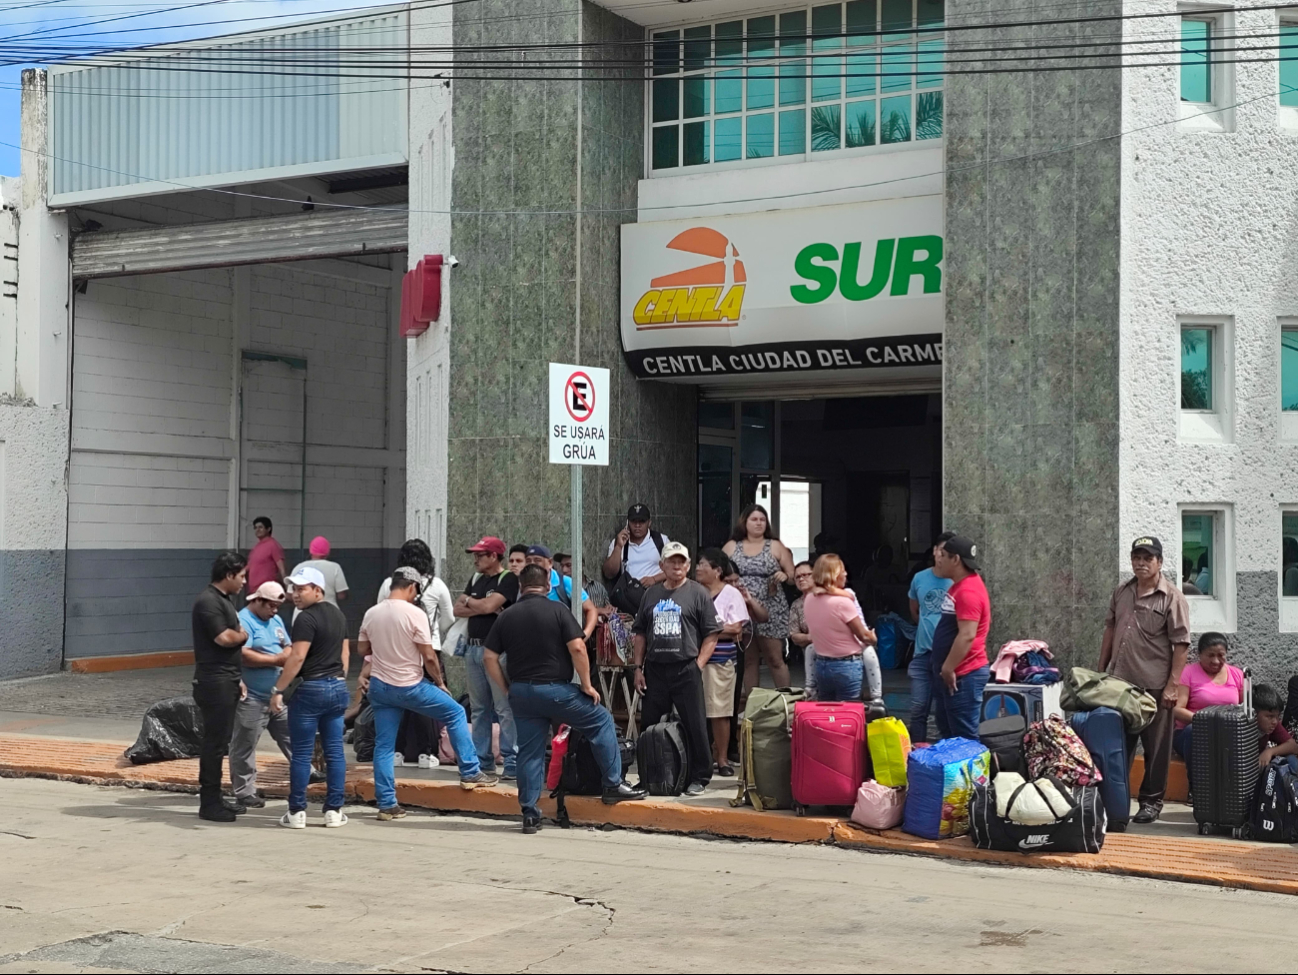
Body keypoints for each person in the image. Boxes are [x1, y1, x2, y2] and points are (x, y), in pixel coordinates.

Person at [484, 564, 647, 833]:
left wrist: (506, 689)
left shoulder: (507, 616)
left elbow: (489, 657)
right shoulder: (558, 610)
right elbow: (577, 647)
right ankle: (613, 783)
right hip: (555, 690)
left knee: (529, 751)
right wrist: (586, 684)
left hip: (522, 692)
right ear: (548, 585)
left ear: (521, 587)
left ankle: (529, 812)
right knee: (601, 720)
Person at [361, 568, 498, 821]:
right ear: (412, 587)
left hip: (380, 688)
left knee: (384, 745)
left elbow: (362, 648)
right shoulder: (415, 613)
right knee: (455, 712)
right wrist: (440, 682)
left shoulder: (372, 612)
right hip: (410, 685)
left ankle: (387, 804)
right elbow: (429, 656)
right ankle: (470, 771)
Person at [1098, 535, 1190, 824]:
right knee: (1118, 747)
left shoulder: (1172, 597)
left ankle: (1151, 803)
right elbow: (1110, 630)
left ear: (1159, 562)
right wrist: (1101, 673)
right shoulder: (1122, 591)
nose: (1141, 563)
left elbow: (1181, 645)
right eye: (1137, 557)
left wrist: (1172, 685)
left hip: (1155, 688)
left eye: (1147, 558)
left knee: (1157, 748)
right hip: (1120, 685)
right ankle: (1116, 801)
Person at [632, 541, 722, 795]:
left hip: (686, 668)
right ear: (662, 565)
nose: (677, 565)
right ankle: (648, 776)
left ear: (689, 565)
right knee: (648, 725)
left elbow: (712, 634)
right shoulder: (651, 595)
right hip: (656, 669)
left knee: (695, 725)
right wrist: (638, 667)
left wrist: (698, 665)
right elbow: (640, 633)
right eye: (671, 561)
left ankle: (700, 777)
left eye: (681, 561)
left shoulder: (698, 593)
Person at [269, 566, 350, 829]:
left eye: (302, 589)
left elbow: (298, 656)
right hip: (337, 687)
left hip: (310, 690)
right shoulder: (338, 615)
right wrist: (338, 676)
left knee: (302, 754)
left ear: (318, 590)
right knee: (335, 752)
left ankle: (297, 812)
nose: (295, 594)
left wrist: (279, 689)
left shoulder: (304, 619)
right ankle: (334, 812)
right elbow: (345, 653)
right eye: (293, 588)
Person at [453, 535, 520, 780]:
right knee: (479, 708)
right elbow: (456, 608)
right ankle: (483, 761)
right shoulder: (476, 579)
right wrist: (479, 604)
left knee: (503, 707)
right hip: (472, 650)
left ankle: (511, 761)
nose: (476, 560)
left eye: (480, 555)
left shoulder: (508, 579)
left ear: (494, 556)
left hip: (496, 652)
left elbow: (488, 607)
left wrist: (474, 603)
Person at [191, 551, 250, 822]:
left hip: (226, 679)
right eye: (241, 576)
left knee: (221, 742)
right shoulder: (208, 602)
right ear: (228, 575)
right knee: (215, 743)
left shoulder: (224, 601)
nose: (244, 582)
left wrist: (237, 678)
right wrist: (243, 635)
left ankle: (217, 798)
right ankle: (209, 802)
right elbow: (224, 638)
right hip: (214, 682)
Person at [229, 581, 294, 808]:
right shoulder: (243, 620)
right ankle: (244, 791)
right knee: (244, 744)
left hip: (276, 694)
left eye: (277, 607)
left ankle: (307, 771)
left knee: (291, 734)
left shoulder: (275, 620)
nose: (274, 611)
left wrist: (282, 655)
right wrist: (275, 660)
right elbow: (244, 655)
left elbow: (288, 645)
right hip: (253, 696)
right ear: (257, 600)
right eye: (270, 606)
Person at [723, 504, 794, 697]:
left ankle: (786, 702)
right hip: (742, 607)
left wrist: (784, 575)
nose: (759, 523)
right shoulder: (732, 546)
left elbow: (793, 575)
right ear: (744, 522)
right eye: (754, 519)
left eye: (762, 519)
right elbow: (718, 572)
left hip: (771, 607)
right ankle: (752, 704)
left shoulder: (776, 545)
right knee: (749, 660)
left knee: (775, 658)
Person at [930, 535, 992, 741]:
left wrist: (948, 668)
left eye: (944, 556)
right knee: (949, 733)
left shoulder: (968, 591)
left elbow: (967, 635)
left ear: (956, 560)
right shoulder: (959, 586)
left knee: (964, 738)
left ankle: (975, 774)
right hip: (953, 674)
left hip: (963, 675)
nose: (938, 559)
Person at [695, 549, 748, 777]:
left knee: (720, 712)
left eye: (702, 564)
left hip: (720, 661)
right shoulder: (694, 591)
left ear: (717, 571)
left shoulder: (731, 594)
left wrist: (706, 629)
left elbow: (736, 629)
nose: (697, 568)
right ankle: (701, 757)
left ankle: (723, 758)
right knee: (697, 711)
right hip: (694, 660)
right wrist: (717, 629)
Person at [802, 554, 880, 704]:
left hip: (822, 665)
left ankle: (810, 688)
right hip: (846, 666)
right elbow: (864, 636)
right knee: (846, 715)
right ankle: (877, 697)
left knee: (827, 713)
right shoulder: (843, 602)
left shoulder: (809, 599)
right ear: (835, 575)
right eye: (842, 570)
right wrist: (873, 638)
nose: (846, 574)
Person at [1171, 632, 1243, 791]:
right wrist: (1206, 721)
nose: (1216, 661)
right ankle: (1196, 788)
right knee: (1193, 731)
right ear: (1199, 654)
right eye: (1210, 655)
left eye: (1221, 655)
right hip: (1190, 734)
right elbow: (1177, 709)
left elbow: (1246, 708)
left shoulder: (1237, 674)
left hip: (1226, 733)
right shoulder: (1188, 673)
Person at [907, 532, 956, 744]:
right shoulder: (920, 578)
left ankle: (945, 754)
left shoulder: (957, 581)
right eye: (940, 550)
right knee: (918, 708)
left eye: (948, 553)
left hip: (947, 657)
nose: (941, 555)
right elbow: (915, 611)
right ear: (934, 551)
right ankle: (917, 752)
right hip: (922, 654)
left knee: (944, 710)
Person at [602, 503, 669, 614]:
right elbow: (609, 573)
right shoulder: (619, 542)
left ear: (649, 523)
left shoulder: (661, 540)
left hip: (658, 600)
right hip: (630, 602)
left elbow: (676, 570)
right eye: (634, 521)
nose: (637, 525)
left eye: (642, 521)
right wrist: (619, 547)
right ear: (628, 523)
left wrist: (654, 579)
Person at [524, 544, 597, 639]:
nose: (532, 564)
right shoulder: (521, 584)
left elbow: (591, 609)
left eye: (537, 560)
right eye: (528, 561)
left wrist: (584, 636)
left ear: (550, 562)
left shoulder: (565, 583)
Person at [289, 536, 349, 608]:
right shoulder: (335, 567)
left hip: (303, 611)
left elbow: (289, 594)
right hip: (329, 611)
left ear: (311, 551)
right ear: (327, 552)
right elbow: (341, 595)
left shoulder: (298, 567)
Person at [787, 561, 817, 698]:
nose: (801, 579)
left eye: (806, 575)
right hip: (811, 650)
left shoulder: (827, 597)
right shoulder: (797, 605)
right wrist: (810, 638)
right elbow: (794, 635)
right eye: (798, 577)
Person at [1256, 683, 1298, 771]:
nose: (1275, 721)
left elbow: (1293, 746)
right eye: (1270, 716)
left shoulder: (1272, 725)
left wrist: (1270, 752)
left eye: (1277, 716)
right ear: (1254, 714)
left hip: (1264, 766)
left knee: (1290, 759)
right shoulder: (1242, 729)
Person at [246, 516, 285, 592]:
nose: (257, 530)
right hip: (254, 589)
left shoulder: (273, 545)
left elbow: (281, 566)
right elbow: (250, 565)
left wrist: (286, 583)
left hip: (266, 590)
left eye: (260, 527)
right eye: (255, 528)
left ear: (268, 529)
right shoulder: (256, 547)